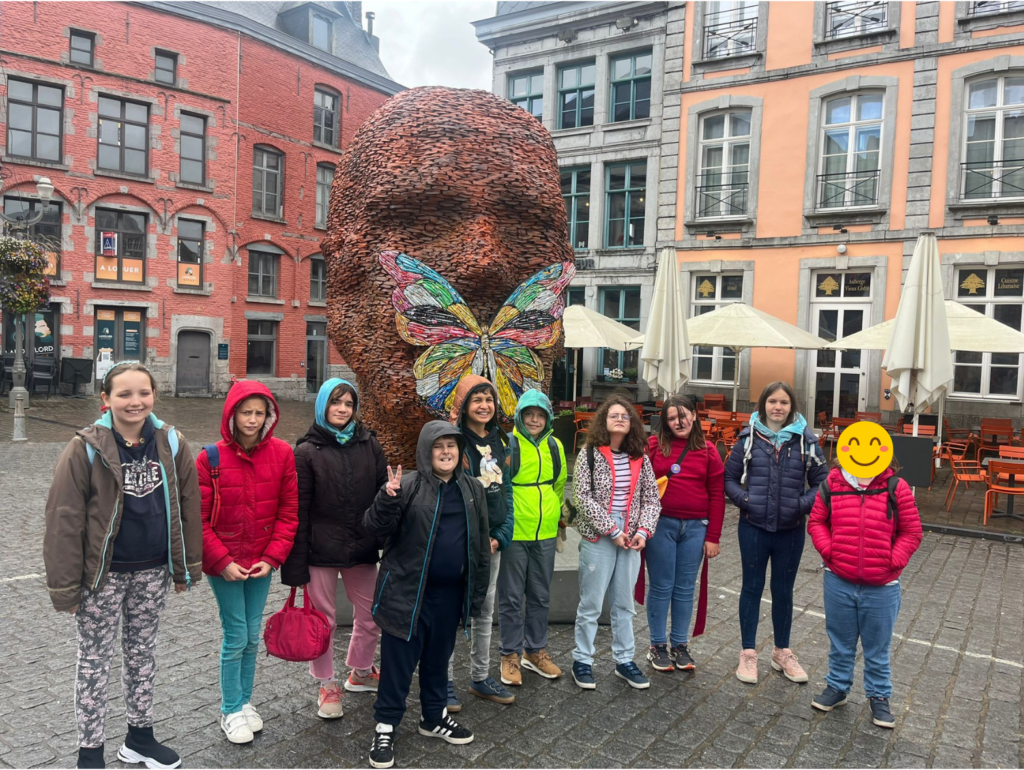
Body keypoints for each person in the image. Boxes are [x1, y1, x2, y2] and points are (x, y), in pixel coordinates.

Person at [43, 362, 202, 770]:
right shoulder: (85, 448)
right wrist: (66, 587)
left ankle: (140, 738)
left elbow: (188, 505)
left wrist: (185, 566)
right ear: (106, 399)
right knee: (94, 660)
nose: (135, 402)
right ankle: (90, 752)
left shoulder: (172, 442)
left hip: (152, 571)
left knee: (142, 653)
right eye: (124, 394)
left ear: (154, 395)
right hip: (102, 576)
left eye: (143, 393)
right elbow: (64, 519)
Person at [364, 421, 490, 769]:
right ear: (426, 451)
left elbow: (480, 545)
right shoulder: (406, 486)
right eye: (438, 446)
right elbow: (375, 530)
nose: (446, 452)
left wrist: (475, 598)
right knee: (398, 665)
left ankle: (433, 717)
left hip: (450, 596)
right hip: (407, 594)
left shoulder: (472, 489)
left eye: (452, 445)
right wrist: (386, 499)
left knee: (438, 660)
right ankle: (385, 725)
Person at [197, 381, 299, 744]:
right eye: (246, 412)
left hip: (260, 562)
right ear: (232, 414)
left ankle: (243, 701)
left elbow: (288, 512)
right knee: (236, 634)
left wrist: (272, 558)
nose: (252, 420)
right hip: (225, 562)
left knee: (253, 636)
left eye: (259, 413)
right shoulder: (209, 458)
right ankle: (230, 709)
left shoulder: (282, 453)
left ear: (269, 416)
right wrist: (222, 561)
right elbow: (197, 519)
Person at [281, 378, 388, 718]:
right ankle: (326, 684)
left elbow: (381, 491)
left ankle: (361, 670)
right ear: (323, 405)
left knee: (371, 614)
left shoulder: (369, 444)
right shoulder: (306, 452)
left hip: (361, 546)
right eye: (335, 402)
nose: (342, 409)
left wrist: (390, 502)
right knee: (322, 621)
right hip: (320, 550)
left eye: (348, 404)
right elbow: (298, 510)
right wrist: (295, 565)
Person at [724, 381, 828, 686]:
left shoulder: (807, 441)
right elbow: (728, 478)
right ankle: (748, 653)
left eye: (783, 402)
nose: (778, 407)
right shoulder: (747, 439)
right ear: (763, 405)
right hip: (753, 528)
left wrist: (800, 505)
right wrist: (746, 500)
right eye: (772, 401)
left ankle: (782, 652)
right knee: (752, 588)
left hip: (791, 530)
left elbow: (822, 482)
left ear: (791, 406)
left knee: (783, 591)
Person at [808, 457, 922, 727]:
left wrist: (892, 561)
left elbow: (911, 532)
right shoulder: (832, 483)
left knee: (877, 647)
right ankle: (837, 687)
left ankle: (879, 696)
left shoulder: (896, 487)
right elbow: (816, 522)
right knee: (840, 641)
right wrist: (830, 552)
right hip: (839, 580)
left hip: (882, 586)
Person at [570, 395, 661, 691]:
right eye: (614, 415)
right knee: (591, 603)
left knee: (624, 603)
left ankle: (624, 660)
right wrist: (612, 529)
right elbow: (582, 497)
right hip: (600, 534)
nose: (620, 419)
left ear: (632, 423)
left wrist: (643, 531)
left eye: (625, 416)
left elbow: (651, 498)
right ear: (604, 421)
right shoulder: (590, 454)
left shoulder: (640, 457)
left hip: (631, 536)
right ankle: (582, 660)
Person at [445, 375, 515, 708]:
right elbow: (448, 495)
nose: (484, 405)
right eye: (477, 399)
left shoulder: (502, 441)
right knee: (449, 610)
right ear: (463, 404)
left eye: (489, 399)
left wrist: (500, 536)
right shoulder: (453, 442)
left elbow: (507, 492)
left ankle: (480, 676)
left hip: (491, 544)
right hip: (461, 543)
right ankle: (441, 680)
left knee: (485, 611)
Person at [644, 395, 724, 673]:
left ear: (694, 416)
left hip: (695, 529)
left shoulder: (709, 451)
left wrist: (713, 536)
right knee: (661, 586)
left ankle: (679, 644)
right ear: (665, 422)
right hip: (661, 526)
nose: (679, 422)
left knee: (685, 588)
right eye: (671, 418)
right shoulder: (654, 446)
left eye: (683, 415)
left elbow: (717, 495)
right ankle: (657, 645)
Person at [496, 389, 568, 683]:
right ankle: (510, 655)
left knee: (540, 595)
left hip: (546, 532)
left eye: (540, 415)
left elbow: (559, 484)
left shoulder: (555, 445)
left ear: (548, 418)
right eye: (529, 414)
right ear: (519, 416)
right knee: (511, 597)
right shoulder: (507, 444)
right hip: (515, 533)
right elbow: (497, 487)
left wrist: (556, 518)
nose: (535, 420)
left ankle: (535, 651)